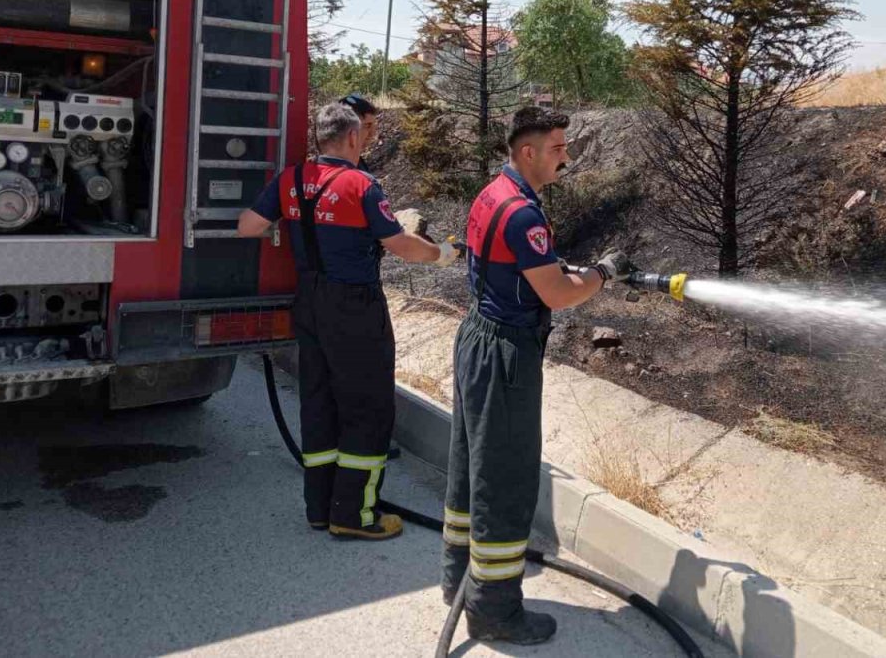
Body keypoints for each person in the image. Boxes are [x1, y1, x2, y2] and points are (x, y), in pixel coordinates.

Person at [440, 106, 630, 644]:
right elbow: (559, 295)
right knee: (505, 479)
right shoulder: (524, 214)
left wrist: (564, 269)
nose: (565, 157)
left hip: (477, 336)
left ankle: (459, 580)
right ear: (528, 152)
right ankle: (494, 611)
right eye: (557, 148)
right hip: (506, 353)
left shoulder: (493, 193)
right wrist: (603, 273)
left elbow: (513, 266)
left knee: (471, 466)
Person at [237, 100, 459, 539]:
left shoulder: (292, 179)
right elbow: (401, 245)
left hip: (309, 301)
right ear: (354, 137)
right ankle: (355, 515)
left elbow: (248, 226)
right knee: (367, 406)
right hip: (355, 306)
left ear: (320, 138)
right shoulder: (361, 184)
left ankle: (320, 509)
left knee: (319, 401)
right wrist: (442, 254)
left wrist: (296, 225)